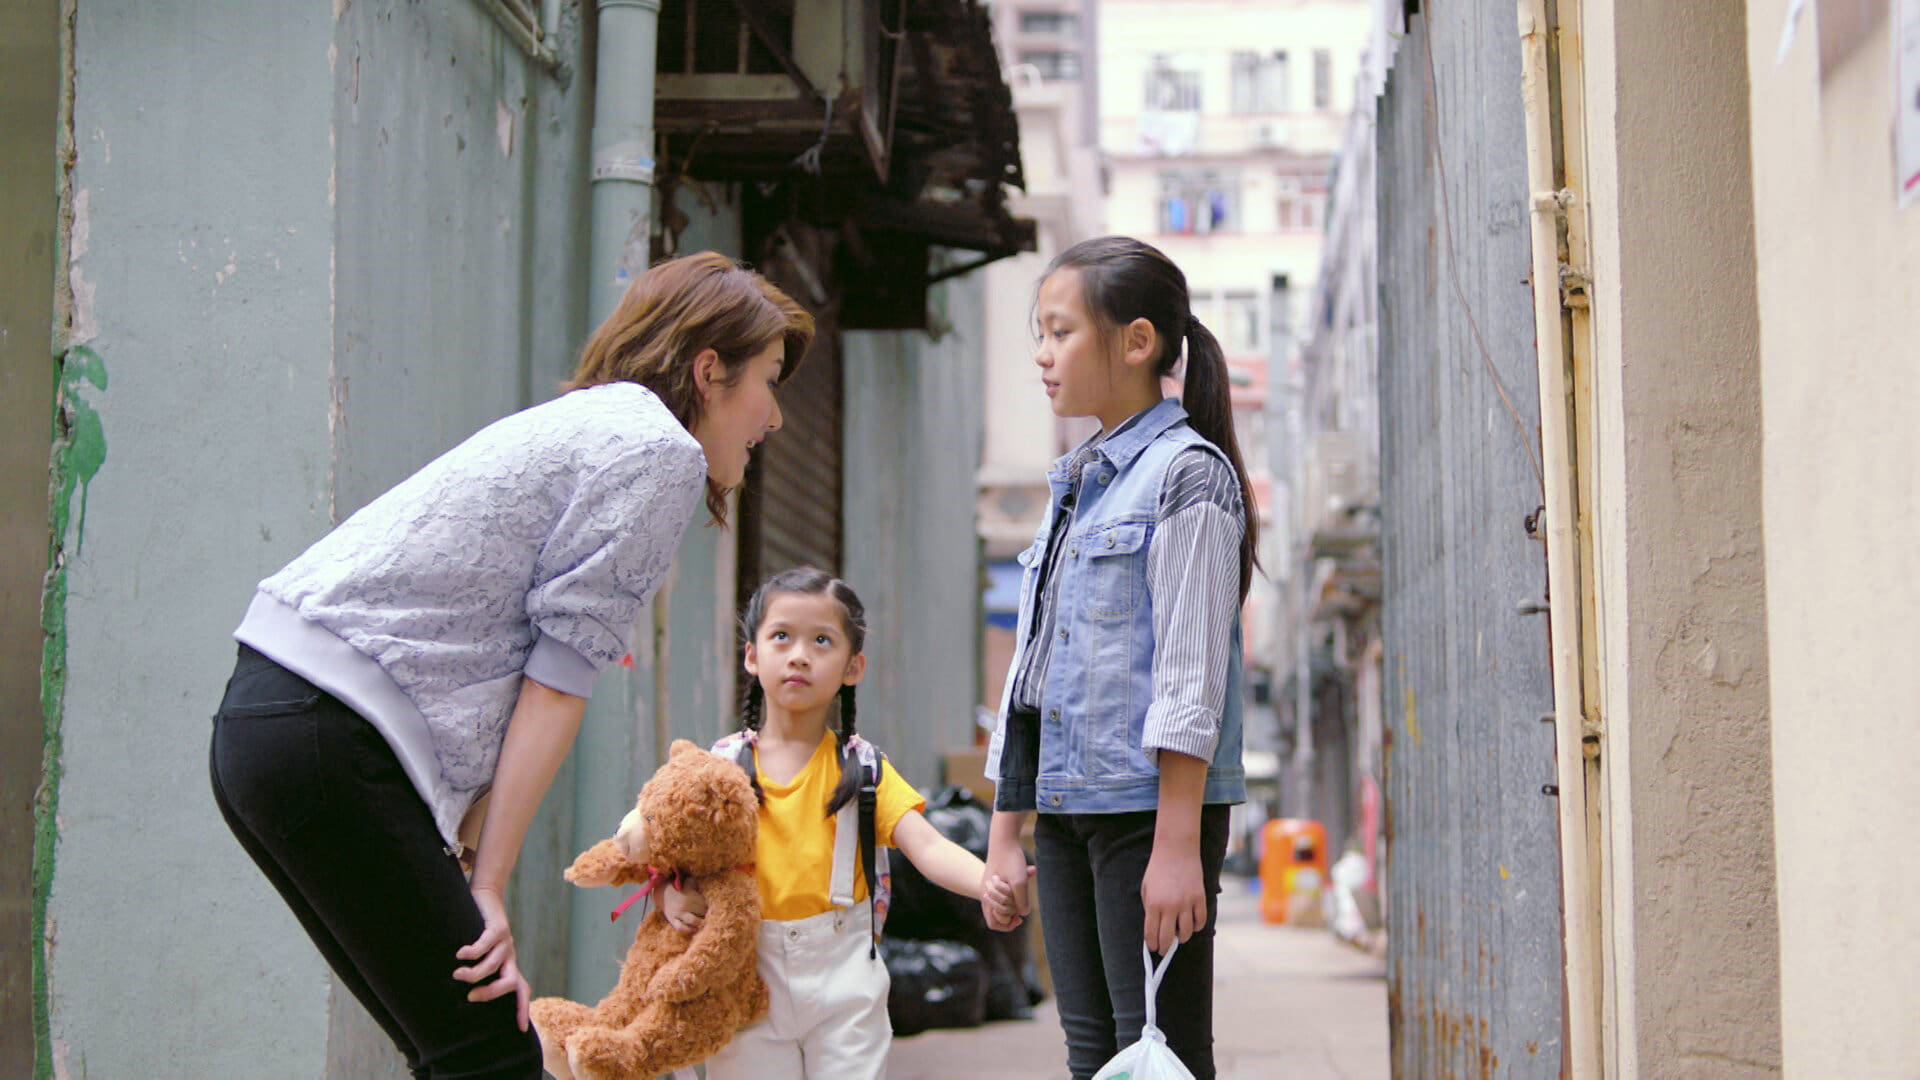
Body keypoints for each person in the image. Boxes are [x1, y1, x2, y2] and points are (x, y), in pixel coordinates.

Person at [207, 252, 813, 1080]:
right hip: (328, 734)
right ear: (710, 371)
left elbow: (493, 666)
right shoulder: (658, 452)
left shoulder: (595, 423)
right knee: (488, 1053)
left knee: (456, 1048)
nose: (773, 417)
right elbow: (554, 686)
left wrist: (462, 857)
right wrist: (488, 886)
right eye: (769, 381)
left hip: (273, 723)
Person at [981, 236, 1256, 1080]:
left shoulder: (1188, 475)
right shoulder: (1078, 481)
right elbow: (1031, 669)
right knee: (1094, 1057)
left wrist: (1177, 847)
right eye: (1040, 333)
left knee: (1163, 1055)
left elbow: (1190, 676)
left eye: (1060, 332)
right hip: (1067, 808)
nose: (1042, 354)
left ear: (1137, 342)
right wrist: (1005, 831)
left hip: (1147, 812)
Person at [659, 567, 1022, 1080]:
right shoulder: (718, 768)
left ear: (853, 667)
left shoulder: (865, 769)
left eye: (821, 640)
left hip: (845, 978)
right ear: (751, 655)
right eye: (781, 636)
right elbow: (672, 859)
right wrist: (671, 896)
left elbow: (928, 847)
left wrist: (987, 882)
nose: (799, 655)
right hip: (744, 976)